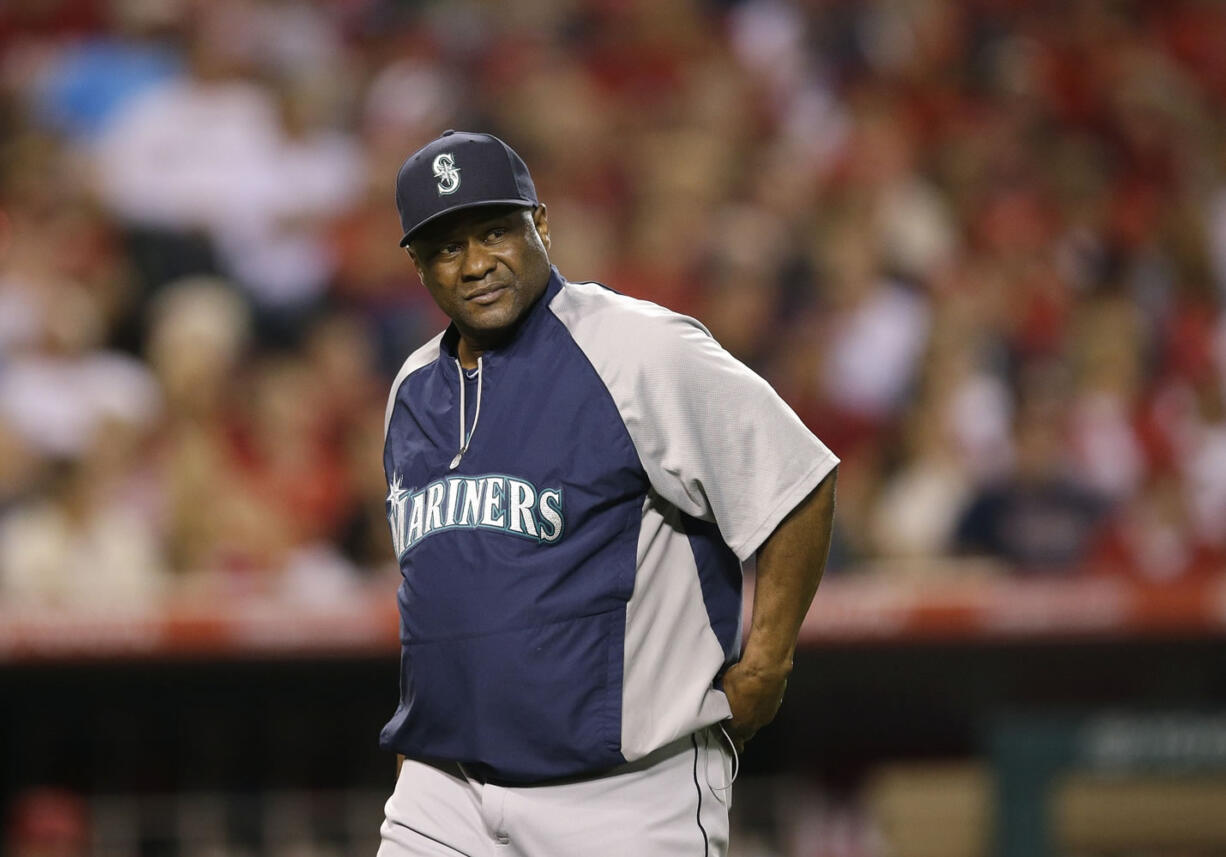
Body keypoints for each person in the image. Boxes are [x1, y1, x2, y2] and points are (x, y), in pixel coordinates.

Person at [378, 130, 838, 857]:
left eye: (496, 230)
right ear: (417, 265)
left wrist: (767, 660)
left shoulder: (638, 348)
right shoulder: (410, 389)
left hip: (622, 794)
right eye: (445, 246)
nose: (475, 264)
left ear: (543, 225)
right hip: (446, 794)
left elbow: (797, 480)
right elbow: (440, 586)